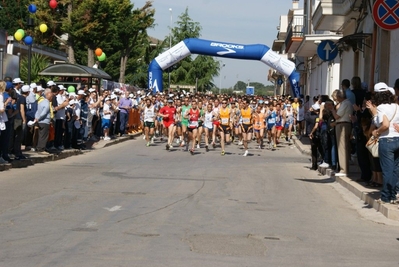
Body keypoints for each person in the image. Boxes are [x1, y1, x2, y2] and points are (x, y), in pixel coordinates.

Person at [368, 82, 399, 204]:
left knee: (387, 170)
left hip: (387, 140)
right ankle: (393, 194)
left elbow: (385, 124)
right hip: (397, 139)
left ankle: (386, 196)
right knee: (396, 170)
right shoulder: (397, 106)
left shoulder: (381, 108)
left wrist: (376, 132)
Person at [327, 90, 354, 176]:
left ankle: (344, 170)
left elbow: (337, 116)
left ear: (339, 97)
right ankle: (342, 168)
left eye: (336, 99)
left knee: (342, 147)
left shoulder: (345, 103)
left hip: (343, 125)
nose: (336, 101)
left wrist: (332, 110)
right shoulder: (345, 103)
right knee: (342, 147)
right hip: (341, 124)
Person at [33, 88, 53, 154]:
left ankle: (40, 147)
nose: (51, 97)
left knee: (41, 135)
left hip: (40, 121)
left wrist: (36, 118)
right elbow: (44, 112)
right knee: (44, 136)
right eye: (51, 96)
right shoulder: (46, 103)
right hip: (44, 121)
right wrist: (38, 118)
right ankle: (41, 149)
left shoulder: (41, 102)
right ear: (47, 94)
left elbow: (37, 111)